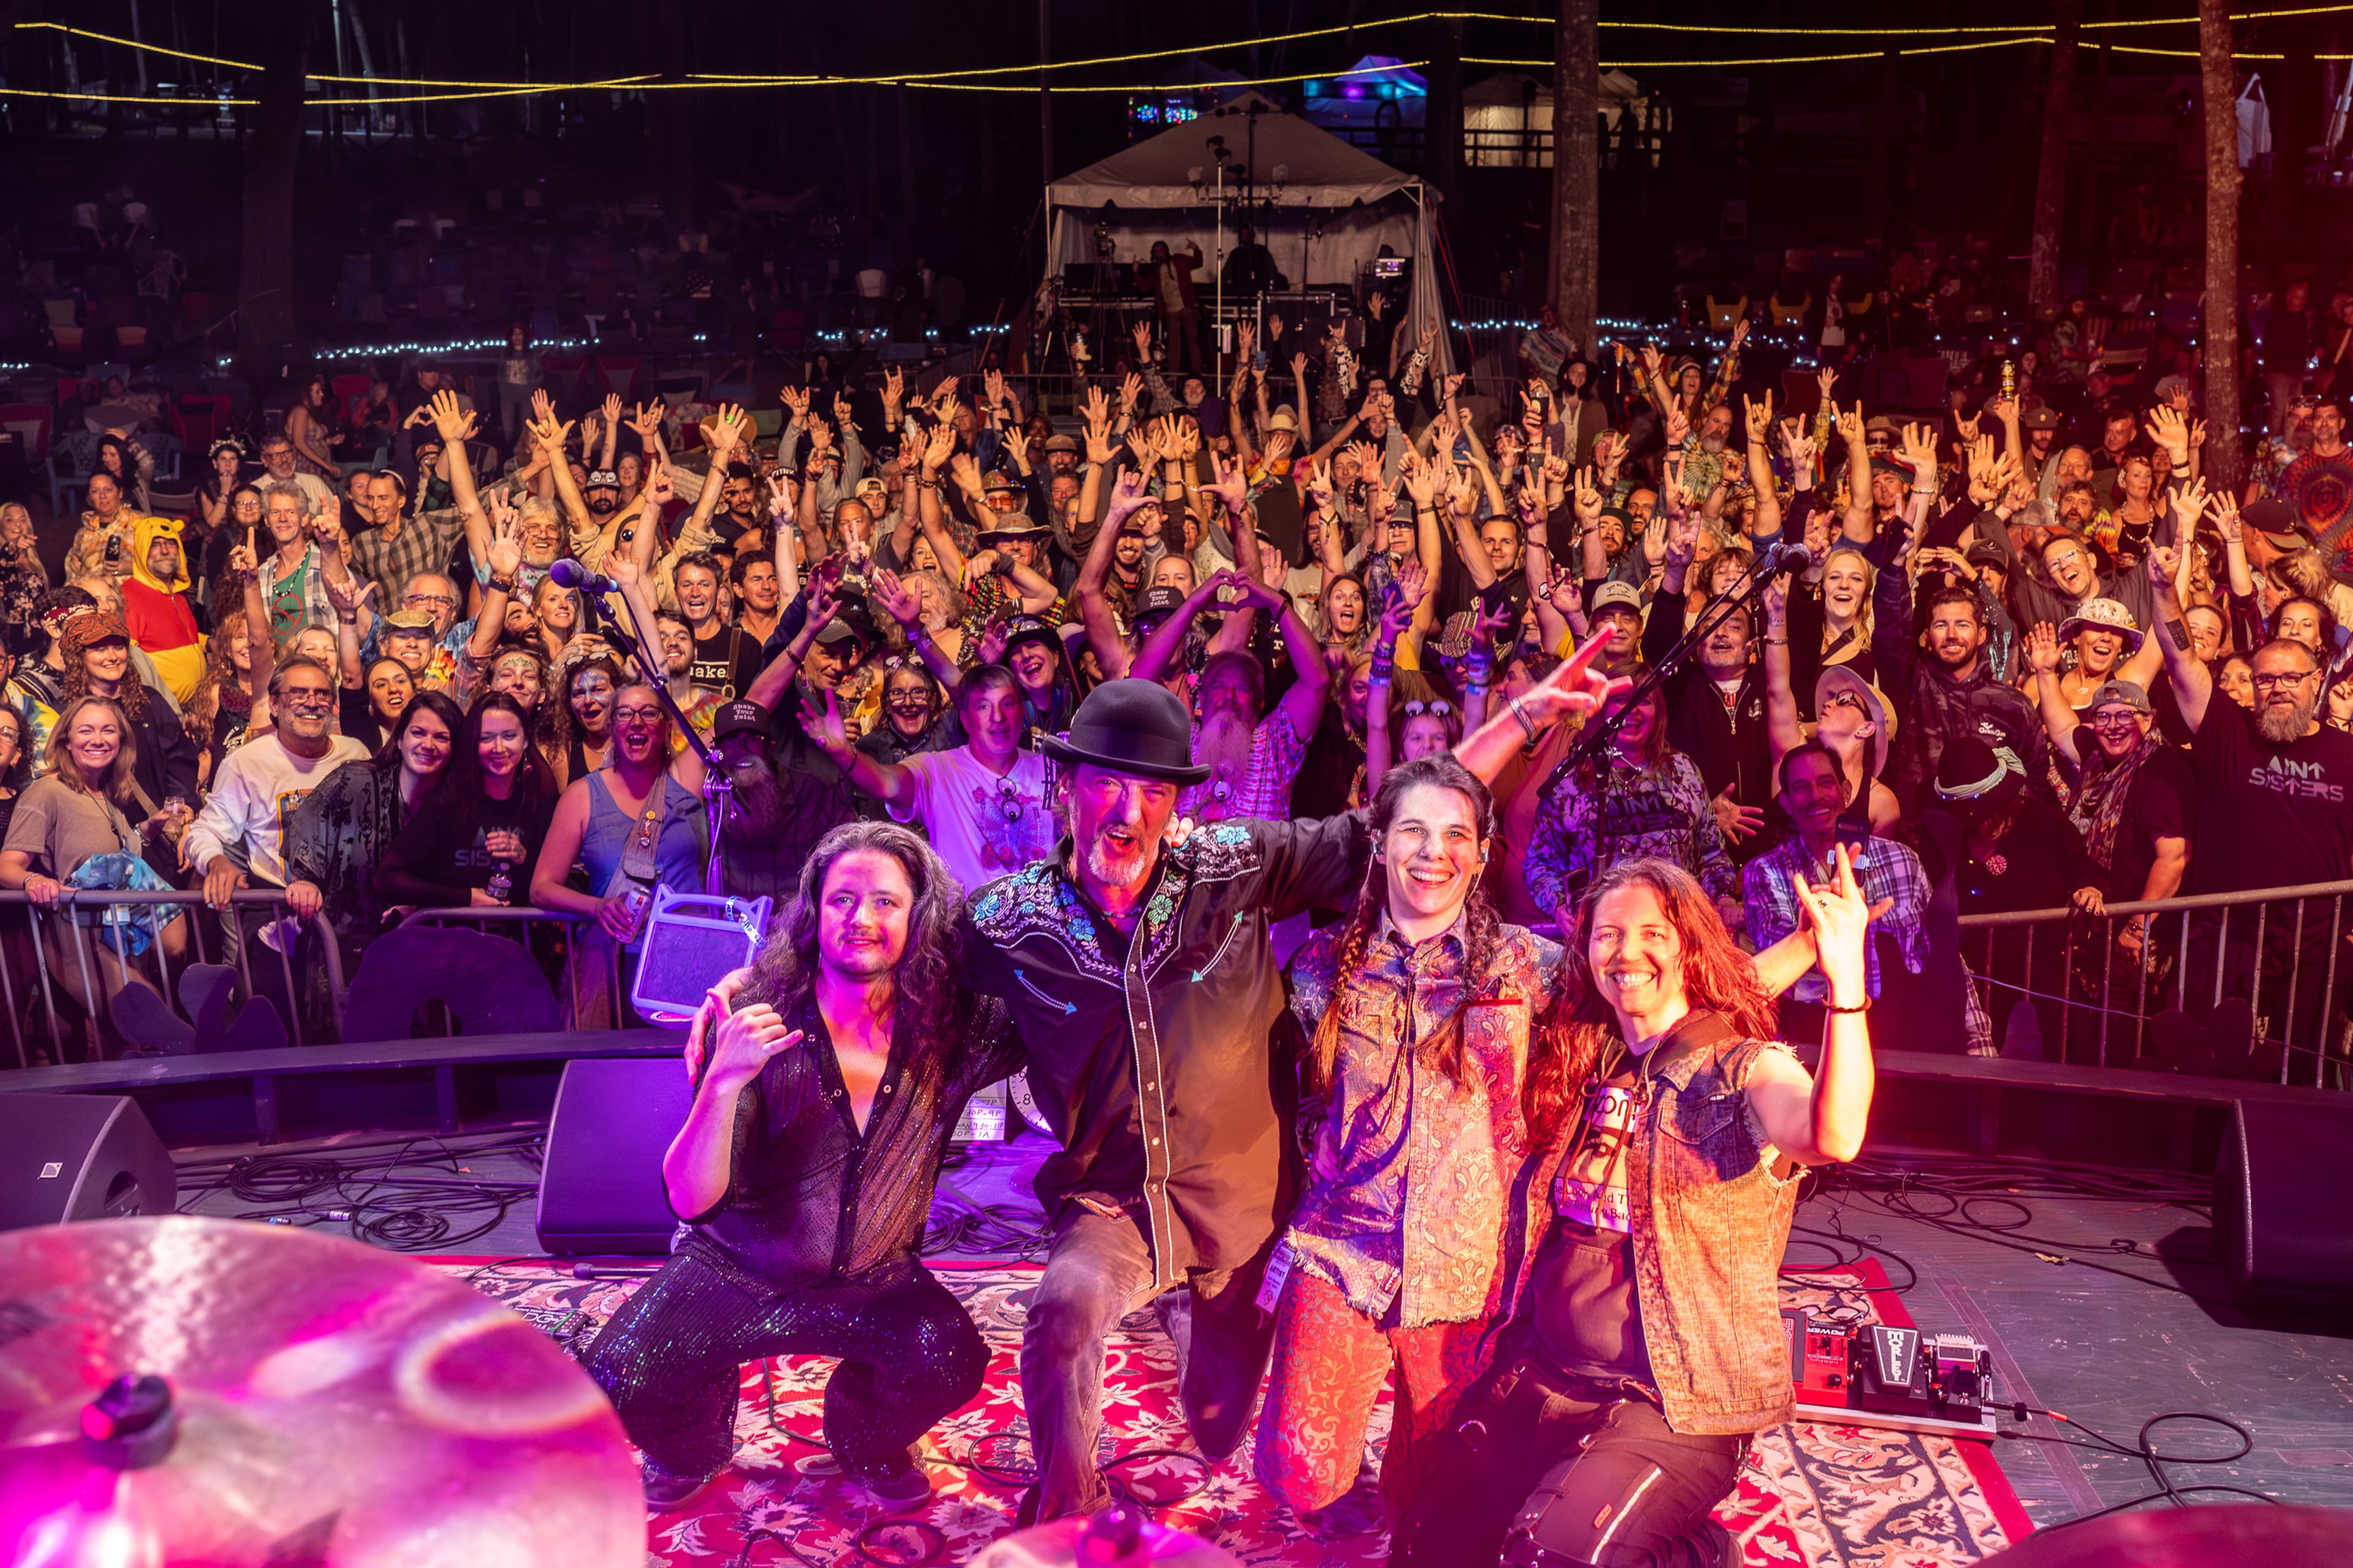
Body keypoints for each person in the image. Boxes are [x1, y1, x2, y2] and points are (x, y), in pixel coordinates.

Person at [1390, 852, 1878, 1568]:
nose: (1626, 952)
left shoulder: (1746, 1070)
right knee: (1423, 1551)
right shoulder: (1584, 1057)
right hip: (1545, 1372)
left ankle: (1701, 1554)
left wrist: (1843, 981)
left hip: (1672, 1403)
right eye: (1608, 935)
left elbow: (1833, 1136)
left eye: (1654, 933)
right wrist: (1801, 943)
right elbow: (1689, 994)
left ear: (1690, 946)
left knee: (1548, 1558)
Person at [588, 822, 1022, 1510]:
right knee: (616, 1376)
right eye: (842, 899)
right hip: (736, 1271)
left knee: (950, 1359)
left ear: (918, 917)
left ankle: (865, 1440)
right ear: (814, 911)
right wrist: (722, 1083)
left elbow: (1053, 994)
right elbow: (690, 1200)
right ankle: (692, 1440)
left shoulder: (954, 1027)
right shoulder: (757, 1017)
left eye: (885, 902)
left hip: (875, 1279)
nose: (861, 918)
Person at [1257, 754, 1559, 1518]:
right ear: (1380, 842)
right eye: (1414, 831)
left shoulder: (1531, 967)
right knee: (1300, 1479)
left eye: (1455, 835)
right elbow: (1284, 1094)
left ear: (1482, 854)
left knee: (1431, 1504)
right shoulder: (1319, 967)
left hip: (1471, 1264)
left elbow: (1662, 997)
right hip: (1344, 1250)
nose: (1434, 852)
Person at [2146, 543, 2353, 1069]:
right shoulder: (2227, 730)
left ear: (2317, 681)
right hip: (2224, 936)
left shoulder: (2348, 754)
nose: (2278, 689)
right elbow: (2180, 657)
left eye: (2291, 678)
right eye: (2266, 679)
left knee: (2298, 1069)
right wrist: (2163, 589)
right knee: (2210, 1065)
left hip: (2314, 946)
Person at [0, 696, 192, 1042]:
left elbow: (116, 859)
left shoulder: (108, 796)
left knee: (144, 1031)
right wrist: (34, 880)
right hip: (78, 938)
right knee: (153, 1027)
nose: (98, 740)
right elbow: (7, 864)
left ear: (121, 741)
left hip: (121, 934)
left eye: (108, 731)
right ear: (66, 741)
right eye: (86, 731)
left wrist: (146, 831)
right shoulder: (47, 791)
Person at [530, 683, 708, 1010]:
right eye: (625, 714)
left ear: (667, 726)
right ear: (612, 728)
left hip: (688, 957)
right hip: (617, 963)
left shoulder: (684, 780)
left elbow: (755, 702)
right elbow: (541, 888)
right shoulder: (582, 795)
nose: (636, 722)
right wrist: (598, 907)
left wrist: (798, 651)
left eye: (649, 713)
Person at [807, 664, 1055, 896]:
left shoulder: (1050, 768)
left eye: (1007, 704)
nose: (998, 717)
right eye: (983, 707)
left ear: (1022, 712)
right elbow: (883, 782)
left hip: (1047, 920)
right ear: (966, 721)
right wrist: (842, 753)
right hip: (970, 924)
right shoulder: (937, 771)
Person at [1741, 741, 1930, 1042]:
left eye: (1826, 782)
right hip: (1819, 1031)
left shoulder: (1903, 861)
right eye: (1801, 787)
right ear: (1786, 804)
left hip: (1907, 1027)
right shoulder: (1765, 872)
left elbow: (1940, 958)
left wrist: (1977, 1045)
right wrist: (1826, 918)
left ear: (1846, 791)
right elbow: (1779, 969)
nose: (1816, 796)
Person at [1524, 675, 1740, 934]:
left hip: (1678, 926)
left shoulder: (1683, 770)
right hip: (1601, 930)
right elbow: (1539, 865)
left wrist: (1724, 898)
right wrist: (1559, 906)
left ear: (1659, 712)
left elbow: (1711, 854)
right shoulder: (1571, 779)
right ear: (1602, 709)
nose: (1634, 710)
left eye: (1644, 701)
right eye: (1622, 700)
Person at [283, 691, 464, 980]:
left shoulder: (457, 804)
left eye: (442, 737)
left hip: (421, 954)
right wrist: (305, 881)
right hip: (344, 948)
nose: (428, 745)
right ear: (400, 739)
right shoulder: (355, 781)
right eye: (418, 733)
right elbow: (306, 828)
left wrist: (417, 904)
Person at [377, 692, 557, 909]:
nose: (499, 748)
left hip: (518, 928)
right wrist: (466, 898)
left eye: (509, 736)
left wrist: (523, 858)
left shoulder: (539, 802)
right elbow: (386, 879)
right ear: (472, 742)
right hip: (453, 929)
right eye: (486, 738)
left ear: (526, 740)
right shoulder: (448, 801)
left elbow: (552, 885)